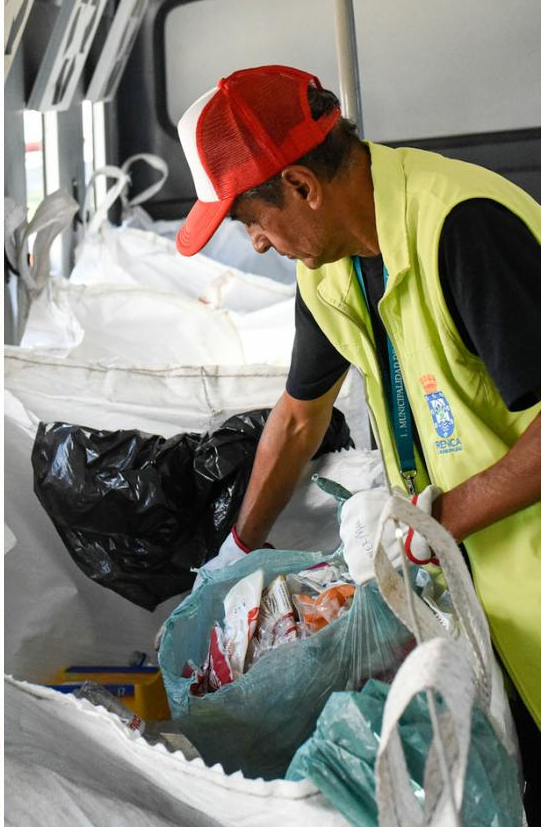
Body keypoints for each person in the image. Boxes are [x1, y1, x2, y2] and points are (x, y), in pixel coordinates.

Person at [174, 64, 541, 814]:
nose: (258, 242)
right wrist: (237, 551)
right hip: (480, 588)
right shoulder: (332, 266)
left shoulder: (461, 228)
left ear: (304, 186)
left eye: (252, 219)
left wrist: (425, 527)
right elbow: (300, 416)